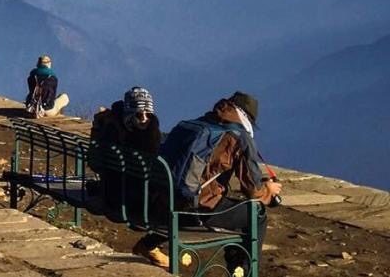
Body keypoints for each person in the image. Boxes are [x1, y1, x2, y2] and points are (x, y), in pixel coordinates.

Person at [159, 92, 281, 274]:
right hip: (193, 211)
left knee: (233, 210)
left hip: (160, 204)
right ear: (248, 118)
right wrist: (269, 190)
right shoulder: (239, 137)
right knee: (256, 214)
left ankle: (148, 243)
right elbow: (253, 192)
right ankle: (244, 271)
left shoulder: (198, 124)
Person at [90, 87, 165, 267]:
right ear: (130, 112)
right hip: (125, 200)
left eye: (147, 114)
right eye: (140, 115)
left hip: (112, 192)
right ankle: (150, 245)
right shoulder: (131, 131)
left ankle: (151, 246)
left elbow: (95, 163)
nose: (145, 119)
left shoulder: (110, 124)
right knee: (175, 204)